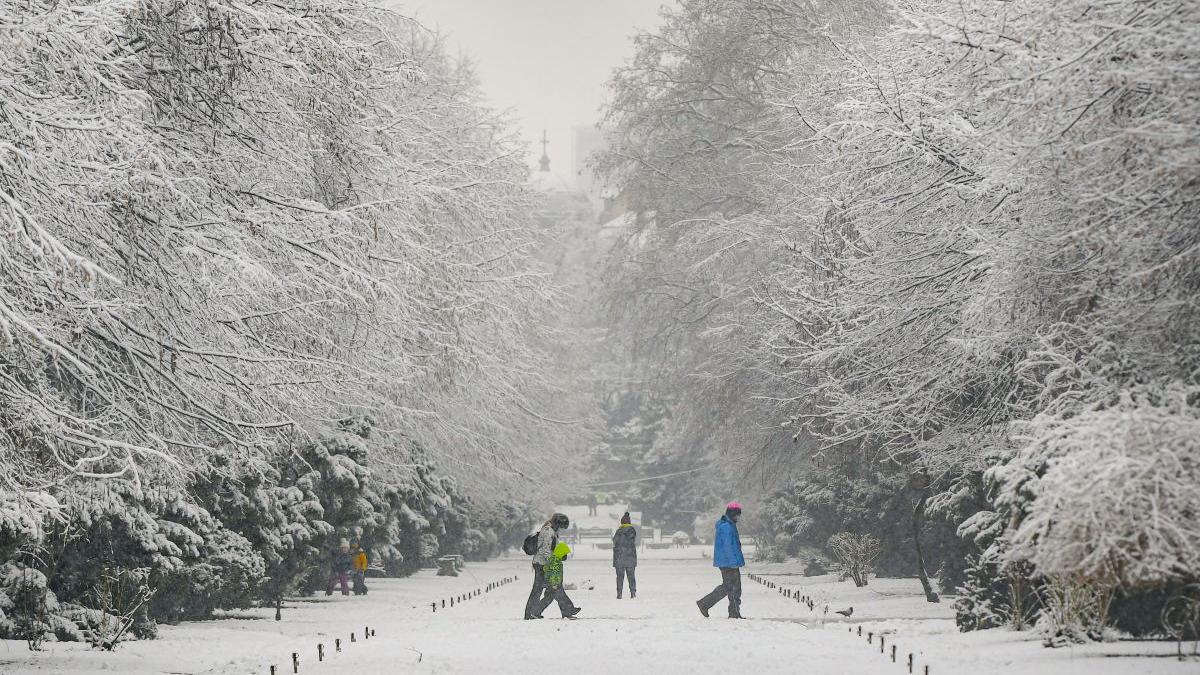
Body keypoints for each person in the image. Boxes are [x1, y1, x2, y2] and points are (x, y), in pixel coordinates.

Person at [524, 513, 581, 619]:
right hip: (542, 565)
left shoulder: (550, 530)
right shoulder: (548, 531)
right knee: (551, 588)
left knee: (551, 590)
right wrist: (552, 561)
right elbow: (545, 550)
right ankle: (567, 610)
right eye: (560, 527)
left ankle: (534, 612)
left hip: (543, 563)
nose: (560, 529)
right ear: (557, 523)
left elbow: (550, 548)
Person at [697, 502, 745, 619]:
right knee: (730, 587)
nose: (739, 517)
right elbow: (728, 546)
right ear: (733, 513)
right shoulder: (727, 527)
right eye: (737, 514)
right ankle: (705, 604)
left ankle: (733, 612)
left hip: (728, 562)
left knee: (732, 587)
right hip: (728, 563)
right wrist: (734, 562)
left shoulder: (729, 524)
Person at [537, 541, 582, 619]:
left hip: (552, 583)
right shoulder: (555, 561)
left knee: (548, 599)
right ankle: (569, 611)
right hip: (554, 584)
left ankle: (535, 612)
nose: (566, 556)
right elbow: (553, 573)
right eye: (565, 554)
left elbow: (548, 569)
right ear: (561, 553)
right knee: (562, 598)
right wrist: (554, 584)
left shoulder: (555, 559)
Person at [612, 512, 638, 599]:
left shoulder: (618, 532)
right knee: (631, 576)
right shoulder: (632, 531)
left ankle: (619, 593)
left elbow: (615, 542)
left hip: (619, 558)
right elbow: (632, 541)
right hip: (630, 558)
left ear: (622, 522)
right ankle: (633, 593)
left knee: (619, 577)